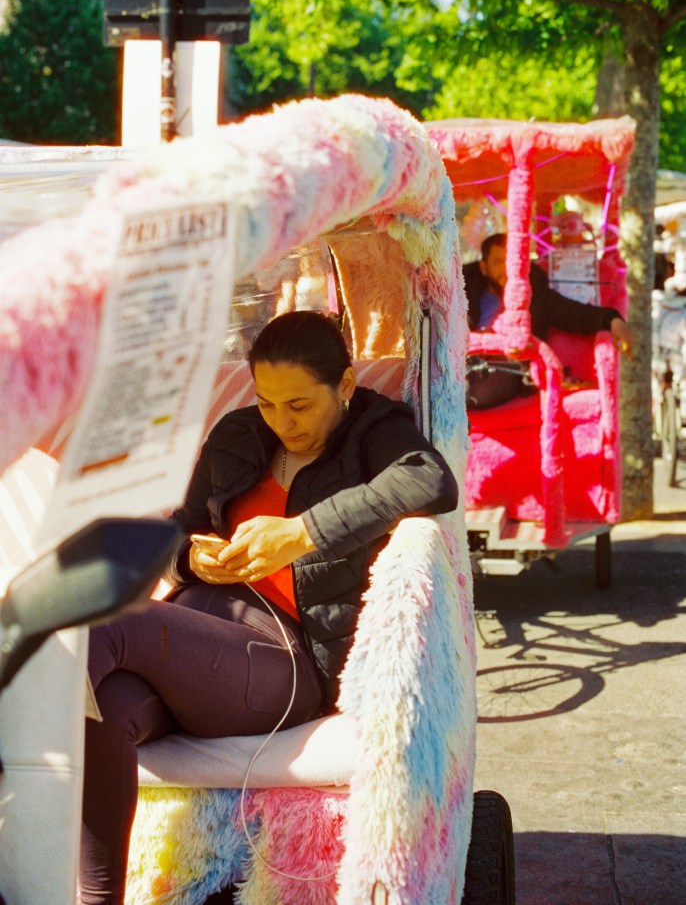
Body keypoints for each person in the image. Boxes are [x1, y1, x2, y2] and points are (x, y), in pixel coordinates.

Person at [80, 310, 458, 905]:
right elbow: (182, 529)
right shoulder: (238, 433)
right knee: (100, 707)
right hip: (198, 635)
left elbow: (430, 482)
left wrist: (300, 532)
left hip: (284, 660)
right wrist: (194, 560)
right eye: (268, 403)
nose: (283, 422)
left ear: (346, 387)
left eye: (300, 406)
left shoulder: (375, 433)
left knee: (100, 628)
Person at [463, 233, 634, 409]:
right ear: (484, 267)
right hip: (465, 362)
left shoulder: (535, 295)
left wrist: (611, 319)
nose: (506, 269)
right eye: (498, 262)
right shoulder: (464, 292)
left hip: (505, 369)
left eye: (509, 261)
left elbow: (573, 313)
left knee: (473, 390)